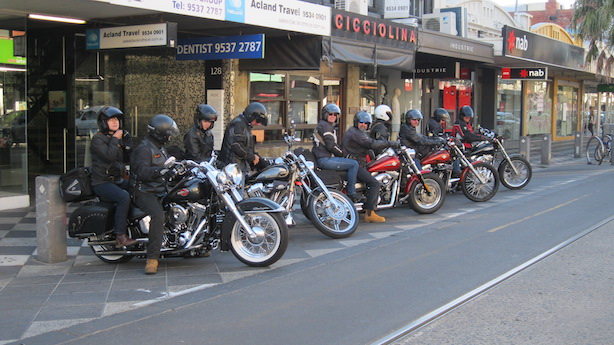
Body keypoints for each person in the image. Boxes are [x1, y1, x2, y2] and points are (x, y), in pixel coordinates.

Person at [130, 114, 180, 275]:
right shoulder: (144, 149)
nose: (171, 136)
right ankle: (152, 259)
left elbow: (167, 163)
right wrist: (160, 172)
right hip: (144, 192)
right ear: (160, 133)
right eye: (169, 133)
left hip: (159, 189)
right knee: (158, 216)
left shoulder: (159, 146)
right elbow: (142, 171)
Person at [90, 106, 136, 248]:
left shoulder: (115, 138)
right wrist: (116, 139)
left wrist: (128, 145)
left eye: (116, 119)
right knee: (123, 197)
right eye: (111, 120)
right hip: (102, 182)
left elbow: (127, 159)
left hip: (116, 180)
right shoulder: (98, 139)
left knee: (137, 188)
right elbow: (109, 156)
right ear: (104, 122)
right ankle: (120, 236)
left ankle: (136, 226)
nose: (115, 122)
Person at [342, 111, 397, 223]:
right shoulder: (355, 133)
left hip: (357, 162)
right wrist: (390, 143)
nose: (364, 125)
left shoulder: (357, 132)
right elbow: (371, 143)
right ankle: (370, 213)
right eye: (361, 122)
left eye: (366, 123)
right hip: (355, 163)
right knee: (374, 183)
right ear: (356, 122)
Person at [312, 104, 359, 201]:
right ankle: (352, 193)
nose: (333, 116)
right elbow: (331, 146)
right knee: (354, 164)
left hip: (323, 157)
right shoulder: (325, 127)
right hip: (324, 159)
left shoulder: (323, 125)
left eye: (335, 114)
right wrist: (344, 154)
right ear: (325, 115)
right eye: (330, 114)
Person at [219, 102, 269, 173]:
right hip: (232, 168)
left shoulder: (245, 125)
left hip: (239, 167)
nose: (258, 124)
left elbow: (248, 148)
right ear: (251, 116)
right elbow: (237, 146)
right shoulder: (238, 124)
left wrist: (260, 160)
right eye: (258, 121)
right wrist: (252, 157)